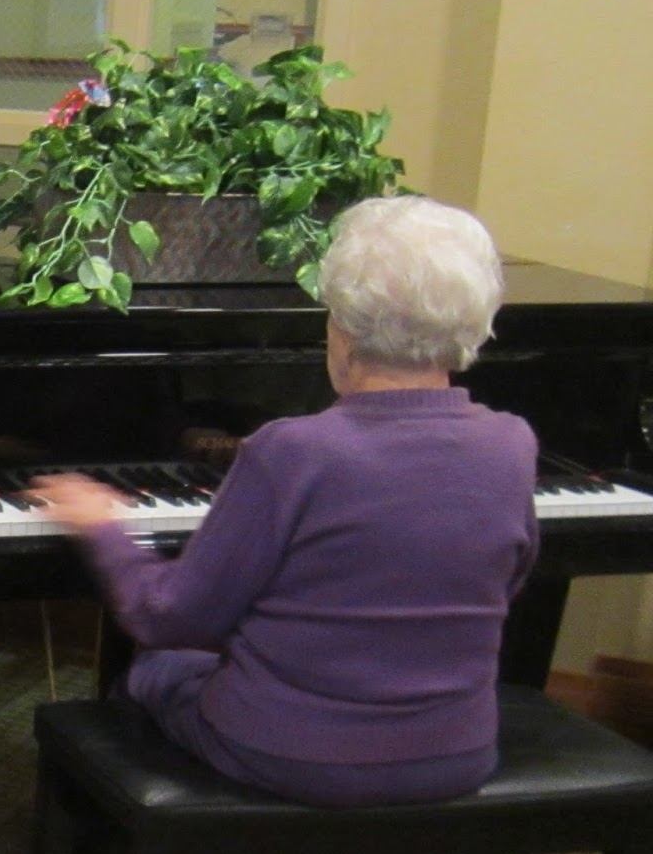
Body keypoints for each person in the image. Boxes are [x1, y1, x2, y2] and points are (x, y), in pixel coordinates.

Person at [35, 195, 539, 808]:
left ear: (343, 330)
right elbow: (505, 580)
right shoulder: (511, 442)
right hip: (458, 752)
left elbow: (169, 618)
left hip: (288, 753)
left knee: (154, 670)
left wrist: (103, 527)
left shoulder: (294, 450)